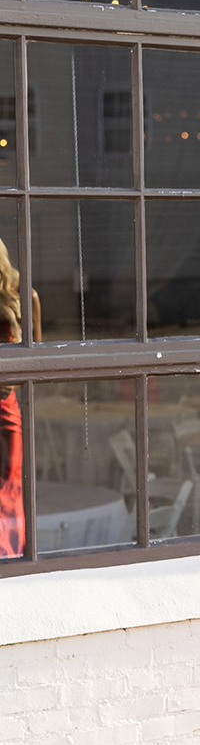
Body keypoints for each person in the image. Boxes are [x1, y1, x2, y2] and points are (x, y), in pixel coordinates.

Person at [0, 237, 41, 558]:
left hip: (6, 407)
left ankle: (11, 552)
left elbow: (37, 356)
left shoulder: (25, 298)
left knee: (9, 482)